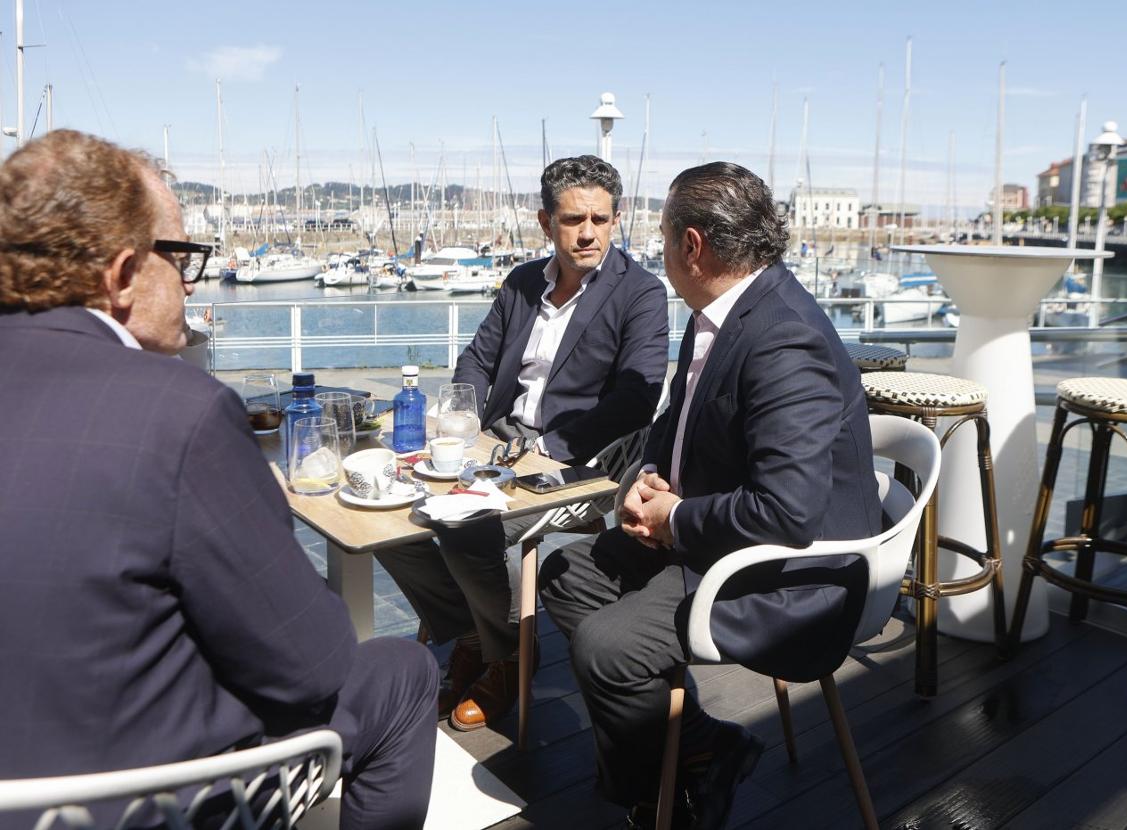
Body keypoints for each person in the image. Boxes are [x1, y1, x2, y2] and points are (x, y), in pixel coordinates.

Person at [0, 130, 438, 830]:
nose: (189, 281)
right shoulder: (176, 412)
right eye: (179, 258)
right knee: (402, 675)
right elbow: (315, 664)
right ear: (120, 274)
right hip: (146, 800)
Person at [539, 162, 882, 829]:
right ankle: (704, 747)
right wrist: (645, 482)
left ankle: (658, 793)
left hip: (790, 575)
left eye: (663, 237)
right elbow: (676, 426)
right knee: (563, 572)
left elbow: (788, 511)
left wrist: (676, 520)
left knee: (608, 649)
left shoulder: (782, 337)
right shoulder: (716, 314)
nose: (656, 252)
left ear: (691, 246)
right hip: (722, 536)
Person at [377, 155, 669, 732]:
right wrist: (459, 418)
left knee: (466, 531)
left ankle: (507, 657)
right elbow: (478, 361)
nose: (588, 232)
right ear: (544, 221)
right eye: (572, 219)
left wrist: (554, 445)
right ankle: (473, 632)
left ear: (617, 218)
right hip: (497, 447)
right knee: (388, 519)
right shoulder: (520, 283)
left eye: (600, 218)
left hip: (583, 462)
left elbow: (636, 400)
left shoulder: (641, 294)